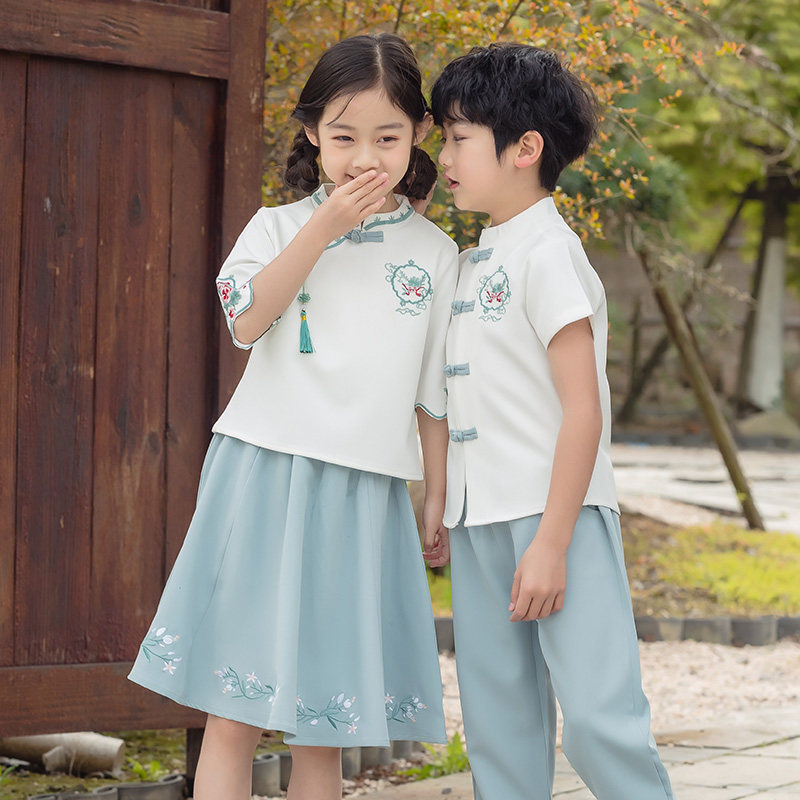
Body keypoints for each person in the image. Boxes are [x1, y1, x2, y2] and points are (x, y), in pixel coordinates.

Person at [128, 33, 456, 800]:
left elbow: (434, 393)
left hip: (365, 494)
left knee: (327, 719)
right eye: (343, 137)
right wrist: (323, 229)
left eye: (388, 136)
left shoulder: (439, 256)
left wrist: (436, 493)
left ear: (419, 137)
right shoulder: (275, 227)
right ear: (312, 133)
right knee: (234, 711)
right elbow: (245, 321)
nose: (364, 156)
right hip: (262, 476)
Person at [430, 44, 675, 800]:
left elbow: (583, 410)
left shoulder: (551, 256)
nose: (443, 156)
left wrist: (553, 543)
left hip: (556, 519)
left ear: (525, 149)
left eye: (459, 137)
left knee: (601, 722)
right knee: (500, 730)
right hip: (479, 525)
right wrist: (441, 505)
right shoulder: (471, 264)